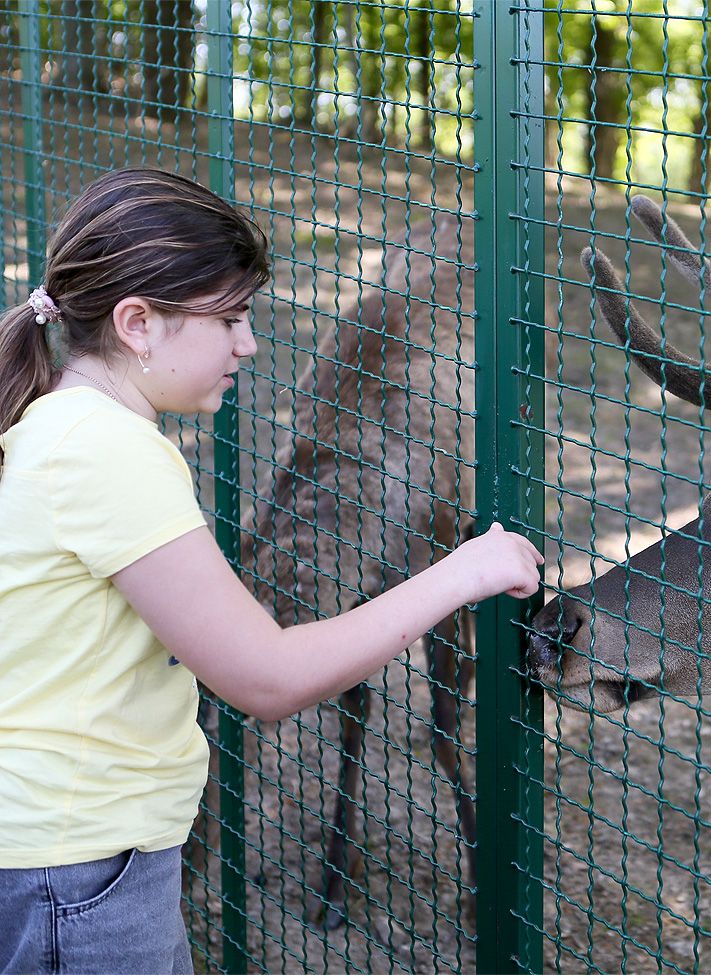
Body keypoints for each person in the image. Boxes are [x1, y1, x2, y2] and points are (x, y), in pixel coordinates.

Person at [0, 168, 543, 974]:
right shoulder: (112, 455)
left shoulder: (52, 423)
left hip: (61, 848)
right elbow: (267, 677)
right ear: (138, 323)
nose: (250, 344)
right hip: (84, 871)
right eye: (230, 320)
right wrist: (463, 571)